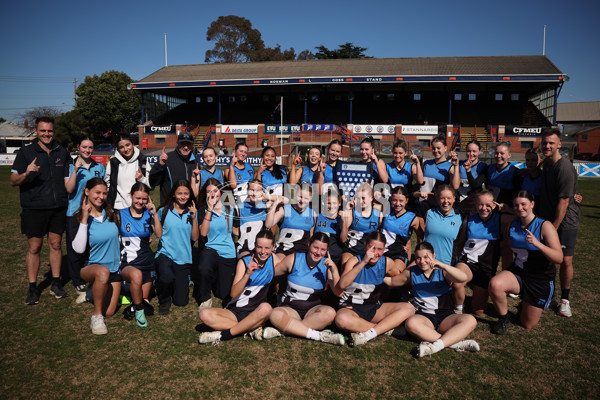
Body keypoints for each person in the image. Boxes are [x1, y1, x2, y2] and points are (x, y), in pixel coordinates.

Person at [11, 116, 71, 305]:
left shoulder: (62, 151)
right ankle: (32, 288)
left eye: (50, 131)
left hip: (58, 208)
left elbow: (69, 179)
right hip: (34, 208)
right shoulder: (26, 153)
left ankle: (55, 283)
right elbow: (13, 181)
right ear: (36, 131)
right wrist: (27, 173)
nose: (47, 134)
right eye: (43, 131)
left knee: (55, 245)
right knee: (34, 248)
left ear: (54, 132)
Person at [385, 242, 480, 357]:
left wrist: (443, 265)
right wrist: (376, 274)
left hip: (446, 316)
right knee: (411, 323)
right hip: (424, 317)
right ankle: (454, 343)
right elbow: (392, 281)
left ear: (434, 255)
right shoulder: (411, 272)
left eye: (426, 257)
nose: (422, 261)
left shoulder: (442, 271)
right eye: (418, 258)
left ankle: (434, 345)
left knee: (471, 320)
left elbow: (462, 278)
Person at [489, 190, 563, 334]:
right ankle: (504, 319)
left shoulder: (544, 226)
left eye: (524, 204)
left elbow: (559, 258)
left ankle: (531, 302)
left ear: (532, 204)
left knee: (527, 324)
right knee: (495, 284)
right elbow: (507, 250)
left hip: (540, 278)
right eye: (516, 205)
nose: (520, 208)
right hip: (519, 272)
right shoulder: (513, 225)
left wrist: (538, 244)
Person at [198, 230, 284, 344]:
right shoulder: (244, 262)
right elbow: (233, 294)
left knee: (266, 308)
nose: (263, 252)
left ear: (273, 247)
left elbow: (290, 268)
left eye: (267, 248)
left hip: (257, 312)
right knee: (204, 315)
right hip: (236, 311)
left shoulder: (274, 259)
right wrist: (247, 274)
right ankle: (250, 328)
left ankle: (223, 334)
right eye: (259, 247)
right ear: (255, 246)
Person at [262, 233, 346, 345]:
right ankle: (318, 335)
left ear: (327, 251)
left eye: (322, 249)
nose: (318, 252)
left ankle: (286, 329)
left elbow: (338, 292)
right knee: (274, 314)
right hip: (290, 309)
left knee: (330, 313)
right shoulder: (294, 258)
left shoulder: (327, 265)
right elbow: (272, 272)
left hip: (312, 311)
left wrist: (334, 271)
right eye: (315, 247)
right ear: (308, 244)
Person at [334, 232, 415, 347]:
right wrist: (363, 262)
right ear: (365, 245)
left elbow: (398, 279)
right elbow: (342, 284)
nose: (375, 253)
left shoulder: (387, 263)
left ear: (384, 249)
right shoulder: (354, 261)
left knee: (409, 308)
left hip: (373, 307)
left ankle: (370, 331)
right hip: (351, 307)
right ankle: (385, 328)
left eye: (379, 249)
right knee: (341, 320)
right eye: (372, 248)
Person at [539, 128, 581, 317]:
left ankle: (565, 301)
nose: (547, 146)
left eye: (551, 143)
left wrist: (552, 230)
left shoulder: (564, 167)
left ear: (559, 144)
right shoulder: (546, 164)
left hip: (565, 222)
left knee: (564, 260)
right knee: (546, 258)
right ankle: (549, 296)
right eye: (545, 142)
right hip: (549, 219)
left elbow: (564, 202)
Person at [71, 178, 121, 335]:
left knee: (110, 312)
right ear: (87, 191)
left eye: (104, 193)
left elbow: (118, 240)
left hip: (114, 270)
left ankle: (90, 294)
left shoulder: (111, 213)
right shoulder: (79, 217)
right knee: (102, 273)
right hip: (91, 268)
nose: (101, 196)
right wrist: (85, 219)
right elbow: (78, 249)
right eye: (97, 192)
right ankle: (96, 317)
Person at [454, 191, 509, 315]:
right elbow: (460, 243)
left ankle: (474, 288)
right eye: (480, 204)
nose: (484, 208)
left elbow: (520, 217)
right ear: (475, 204)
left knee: (478, 311)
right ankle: (457, 309)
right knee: (457, 281)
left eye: (488, 205)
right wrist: (460, 259)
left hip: (486, 268)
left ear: (494, 205)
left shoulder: (500, 219)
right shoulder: (469, 219)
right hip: (468, 263)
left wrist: (507, 209)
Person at [64, 136, 105, 300]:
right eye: (84, 147)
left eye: (90, 147)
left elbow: (102, 190)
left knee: (90, 244)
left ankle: (88, 273)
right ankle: (77, 279)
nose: (87, 150)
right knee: (75, 247)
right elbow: (69, 188)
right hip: (75, 212)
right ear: (78, 147)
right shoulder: (70, 166)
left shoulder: (99, 167)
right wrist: (75, 170)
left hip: (94, 212)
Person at [119, 183, 162, 328]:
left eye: (144, 199)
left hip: (147, 263)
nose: (141, 202)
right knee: (136, 281)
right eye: (137, 198)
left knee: (143, 298)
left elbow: (159, 234)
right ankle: (138, 311)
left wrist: (155, 214)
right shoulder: (120, 214)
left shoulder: (148, 214)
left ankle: (132, 302)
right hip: (128, 264)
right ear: (131, 196)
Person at [421, 184, 468, 313]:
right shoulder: (428, 212)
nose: (445, 201)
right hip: (425, 263)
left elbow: (461, 241)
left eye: (449, 198)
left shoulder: (460, 217)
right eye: (442, 198)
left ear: (454, 199)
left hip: (446, 265)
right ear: (437, 199)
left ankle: (458, 309)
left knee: (441, 302)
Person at [155, 180, 199, 315]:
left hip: (183, 258)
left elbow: (195, 238)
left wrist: (194, 218)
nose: (183, 196)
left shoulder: (191, 211)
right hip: (166, 254)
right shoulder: (164, 210)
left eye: (186, 193)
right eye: (179, 193)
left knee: (181, 302)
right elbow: (158, 234)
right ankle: (164, 299)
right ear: (173, 194)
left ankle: (175, 282)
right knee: (166, 277)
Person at [195, 178, 239, 311]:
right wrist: (209, 208)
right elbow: (203, 233)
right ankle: (205, 298)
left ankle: (215, 277)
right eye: (209, 191)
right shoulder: (203, 210)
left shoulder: (230, 207)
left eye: (216, 190)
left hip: (228, 251)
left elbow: (236, 231)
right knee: (204, 267)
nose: (213, 194)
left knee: (223, 293)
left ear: (221, 192)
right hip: (211, 248)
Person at [381, 186, 424, 275]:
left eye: (401, 201)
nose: (397, 204)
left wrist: (417, 253)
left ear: (406, 200)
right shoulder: (385, 210)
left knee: (396, 274)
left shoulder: (412, 218)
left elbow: (421, 237)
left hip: (399, 253)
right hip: (382, 251)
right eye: (394, 200)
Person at [415, 135, 460, 216]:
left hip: (438, 206)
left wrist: (456, 166)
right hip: (422, 204)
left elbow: (456, 186)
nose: (435, 150)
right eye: (433, 148)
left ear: (445, 148)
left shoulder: (450, 166)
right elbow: (419, 182)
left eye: (438, 148)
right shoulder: (426, 163)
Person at [266, 184, 316, 256]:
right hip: (284, 251)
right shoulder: (285, 209)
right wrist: (275, 203)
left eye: (306, 198)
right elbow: (268, 224)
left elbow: (311, 236)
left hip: (302, 253)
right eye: (300, 196)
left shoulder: (312, 213)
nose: (302, 200)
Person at [340, 183, 383, 266]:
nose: (360, 201)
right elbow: (343, 237)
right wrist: (346, 210)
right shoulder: (352, 212)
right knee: (346, 261)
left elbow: (380, 233)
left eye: (363, 198)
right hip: (351, 249)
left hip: (369, 250)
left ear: (371, 198)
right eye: (358, 198)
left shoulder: (378, 215)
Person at [148, 132, 198, 205]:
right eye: (183, 144)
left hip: (189, 208)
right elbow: (153, 182)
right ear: (177, 143)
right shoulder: (167, 159)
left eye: (189, 144)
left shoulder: (194, 162)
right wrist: (160, 165)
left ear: (192, 144)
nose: (186, 147)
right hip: (169, 207)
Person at [105, 133, 150, 210]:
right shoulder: (113, 163)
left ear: (133, 144)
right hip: (118, 208)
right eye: (121, 147)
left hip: (138, 207)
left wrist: (142, 179)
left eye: (127, 145)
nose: (125, 149)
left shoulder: (143, 161)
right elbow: (107, 184)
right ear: (118, 149)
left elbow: (150, 185)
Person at [236, 180, 268, 258]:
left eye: (258, 191)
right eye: (252, 190)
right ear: (247, 190)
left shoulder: (266, 207)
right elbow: (233, 229)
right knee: (247, 260)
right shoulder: (239, 207)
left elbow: (285, 200)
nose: (254, 193)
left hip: (264, 249)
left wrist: (266, 197)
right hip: (245, 248)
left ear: (262, 192)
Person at [456, 140, 487, 212]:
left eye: (474, 151)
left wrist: (468, 170)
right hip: (458, 202)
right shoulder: (459, 164)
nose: (471, 154)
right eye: (469, 151)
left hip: (474, 204)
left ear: (480, 152)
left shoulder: (483, 167)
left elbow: (475, 185)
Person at [314, 191, 343, 266]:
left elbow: (344, 239)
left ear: (339, 203)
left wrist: (344, 220)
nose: (331, 206)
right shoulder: (317, 216)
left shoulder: (342, 219)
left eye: (334, 203)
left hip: (335, 257)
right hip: (317, 255)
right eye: (328, 203)